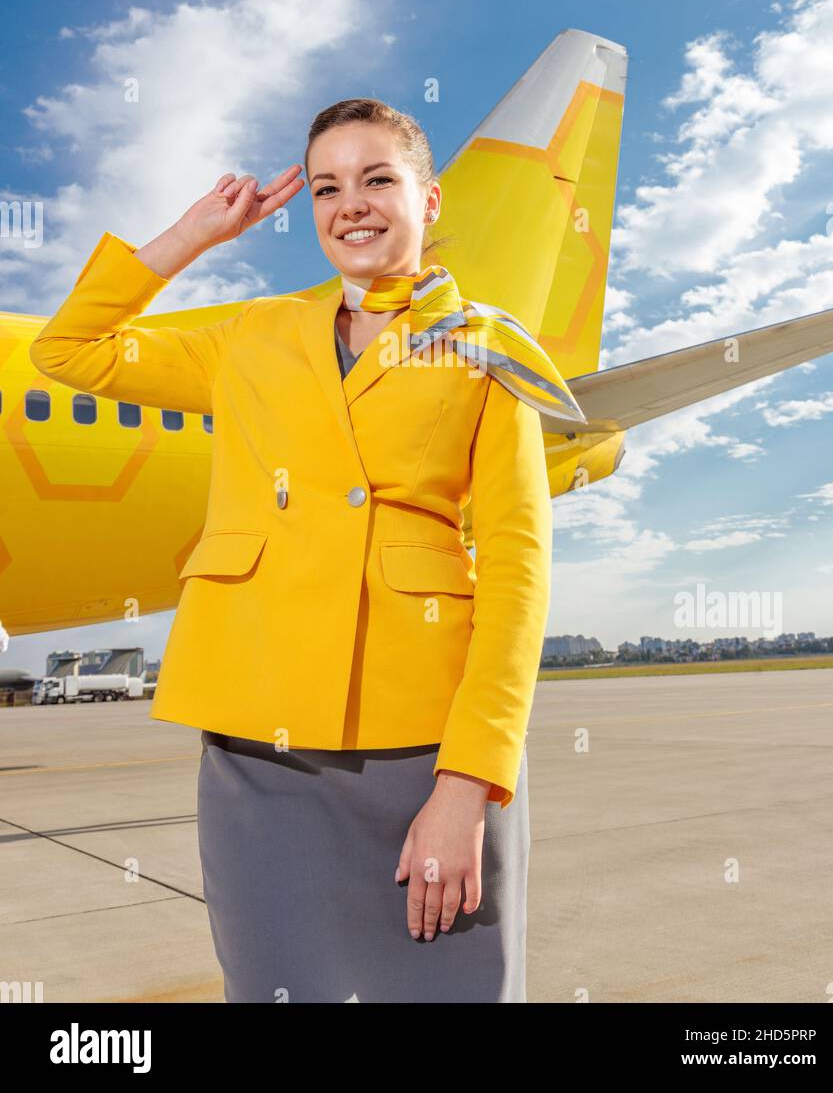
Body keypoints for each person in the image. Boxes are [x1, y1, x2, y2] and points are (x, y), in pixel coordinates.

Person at [30, 98, 583, 1003]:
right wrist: (194, 234)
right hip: (261, 752)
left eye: (377, 180)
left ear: (428, 201)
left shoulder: (486, 354)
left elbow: (520, 578)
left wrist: (468, 785)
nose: (350, 205)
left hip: (425, 750)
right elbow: (70, 352)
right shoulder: (252, 337)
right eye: (327, 187)